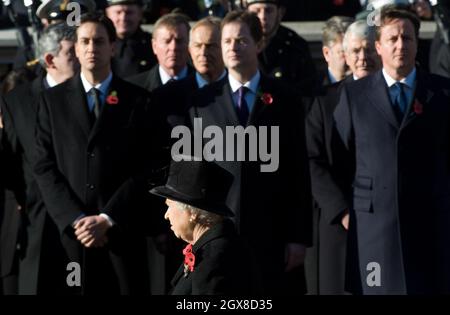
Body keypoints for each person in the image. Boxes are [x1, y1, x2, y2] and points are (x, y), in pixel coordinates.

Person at [184, 10, 312, 294]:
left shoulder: (286, 99)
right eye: (227, 41)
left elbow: (298, 171)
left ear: (259, 44)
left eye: (241, 40)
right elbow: (195, 173)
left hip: (271, 233)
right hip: (218, 235)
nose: (232, 47)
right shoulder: (203, 102)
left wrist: (298, 237)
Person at [33, 12, 161, 294]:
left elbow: (149, 167)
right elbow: (43, 165)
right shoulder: (51, 101)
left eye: (100, 41)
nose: (92, 48)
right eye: (85, 41)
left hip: (122, 234)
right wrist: (76, 219)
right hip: (71, 238)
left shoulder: (139, 100)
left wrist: (107, 218)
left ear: (112, 47)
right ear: (76, 48)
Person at [334, 6, 450, 294]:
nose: (400, 45)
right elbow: (340, 157)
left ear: (417, 43)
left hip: (430, 225)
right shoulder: (353, 96)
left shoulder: (443, 93)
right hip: (375, 227)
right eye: (392, 39)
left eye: (407, 38)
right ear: (378, 47)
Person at [1, 22, 81, 295]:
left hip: (83, 221)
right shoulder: (17, 101)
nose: (82, 56)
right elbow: (10, 162)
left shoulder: (90, 95)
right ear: (49, 59)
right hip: (36, 225)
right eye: (73, 52)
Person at [305, 20, 380, 295]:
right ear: (345, 55)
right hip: (339, 225)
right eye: (356, 51)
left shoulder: (400, 100)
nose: (363, 58)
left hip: (386, 225)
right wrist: (342, 210)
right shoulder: (325, 103)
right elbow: (312, 159)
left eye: (370, 49)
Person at [150, 157, 259, 295]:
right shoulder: (219, 245)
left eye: (169, 206)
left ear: (192, 213)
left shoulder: (213, 261)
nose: (166, 215)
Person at [244, 0, 317, 96]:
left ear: (280, 12)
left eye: (269, 11)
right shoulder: (236, 45)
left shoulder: (296, 46)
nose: (263, 17)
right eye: (256, 11)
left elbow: (308, 91)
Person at [128, 12, 193, 92]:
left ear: (190, 44)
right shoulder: (133, 88)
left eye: (179, 41)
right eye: (167, 41)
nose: (173, 47)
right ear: (154, 46)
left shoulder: (205, 84)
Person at [105, 0, 157, 78]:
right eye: (118, 12)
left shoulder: (155, 45)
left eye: (129, 12)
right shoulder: (100, 45)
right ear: (108, 14)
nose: (123, 18)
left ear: (140, 14)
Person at [320, 16, 354, 87]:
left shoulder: (369, 85)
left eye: (355, 51)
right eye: (344, 52)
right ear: (327, 53)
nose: (353, 58)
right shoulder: (312, 91)